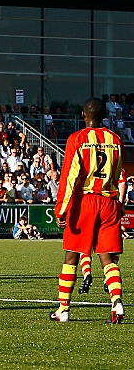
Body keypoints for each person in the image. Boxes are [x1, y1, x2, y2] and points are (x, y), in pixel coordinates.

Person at [50, 97, 125, 323]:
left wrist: (61, 210)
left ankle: (63, 310)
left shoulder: (78, 139)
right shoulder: (116, 139)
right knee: (107, 257)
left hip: (85, 202)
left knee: (71, 255)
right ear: (105, 115)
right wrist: (118, 205)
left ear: (84, 114)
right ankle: (117, 304)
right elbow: (118, 174)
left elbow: (69, 177)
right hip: (109, 202)